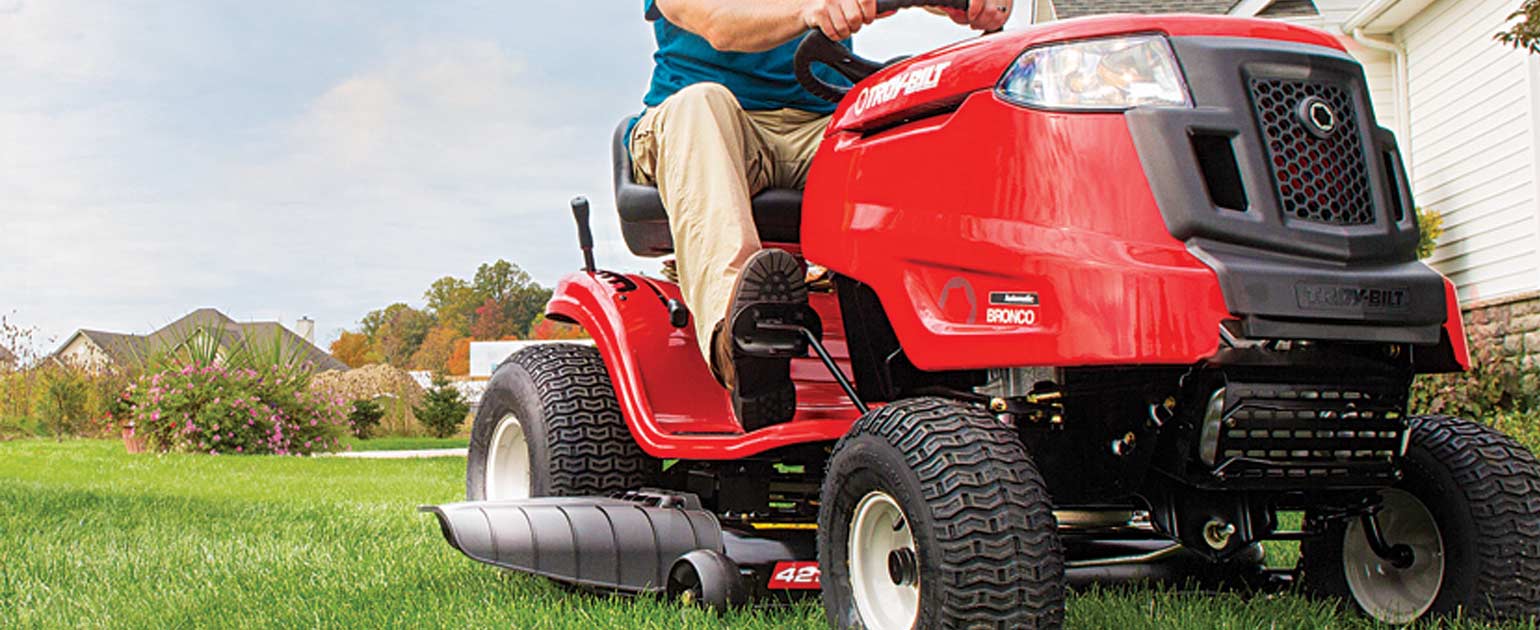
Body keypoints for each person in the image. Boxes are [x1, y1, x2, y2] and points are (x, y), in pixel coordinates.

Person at [630, 0, 1012, 428]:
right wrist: (811, 10)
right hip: (710, 124)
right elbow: (718, 24)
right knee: (700, 104)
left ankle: (938, 363)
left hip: (821, 127)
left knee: (912, 123)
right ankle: (740, 344)